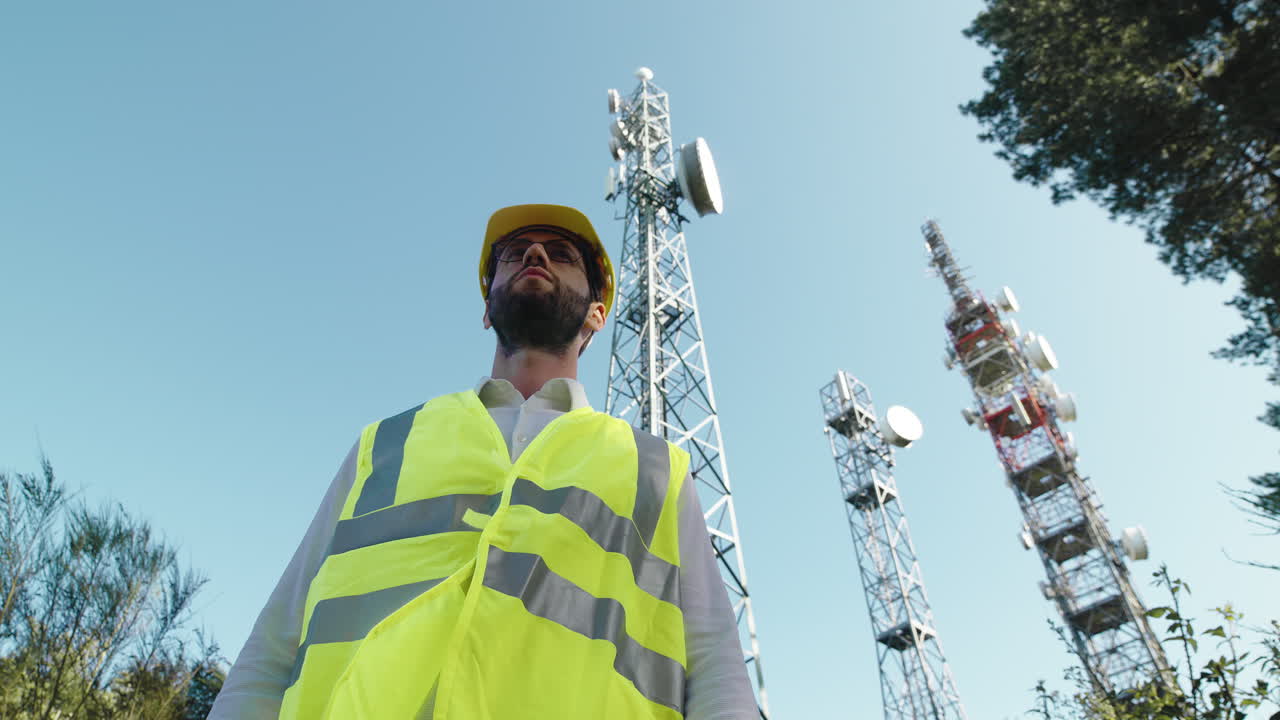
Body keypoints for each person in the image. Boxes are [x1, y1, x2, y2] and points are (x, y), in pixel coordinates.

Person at [209, 204, 757, 719]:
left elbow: (714, 670)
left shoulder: (655, 468)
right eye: (514, 253)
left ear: (597, 313)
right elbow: (272, 649)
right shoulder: (385, 444)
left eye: (560, 254)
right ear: (486, 306)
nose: (534, 256)